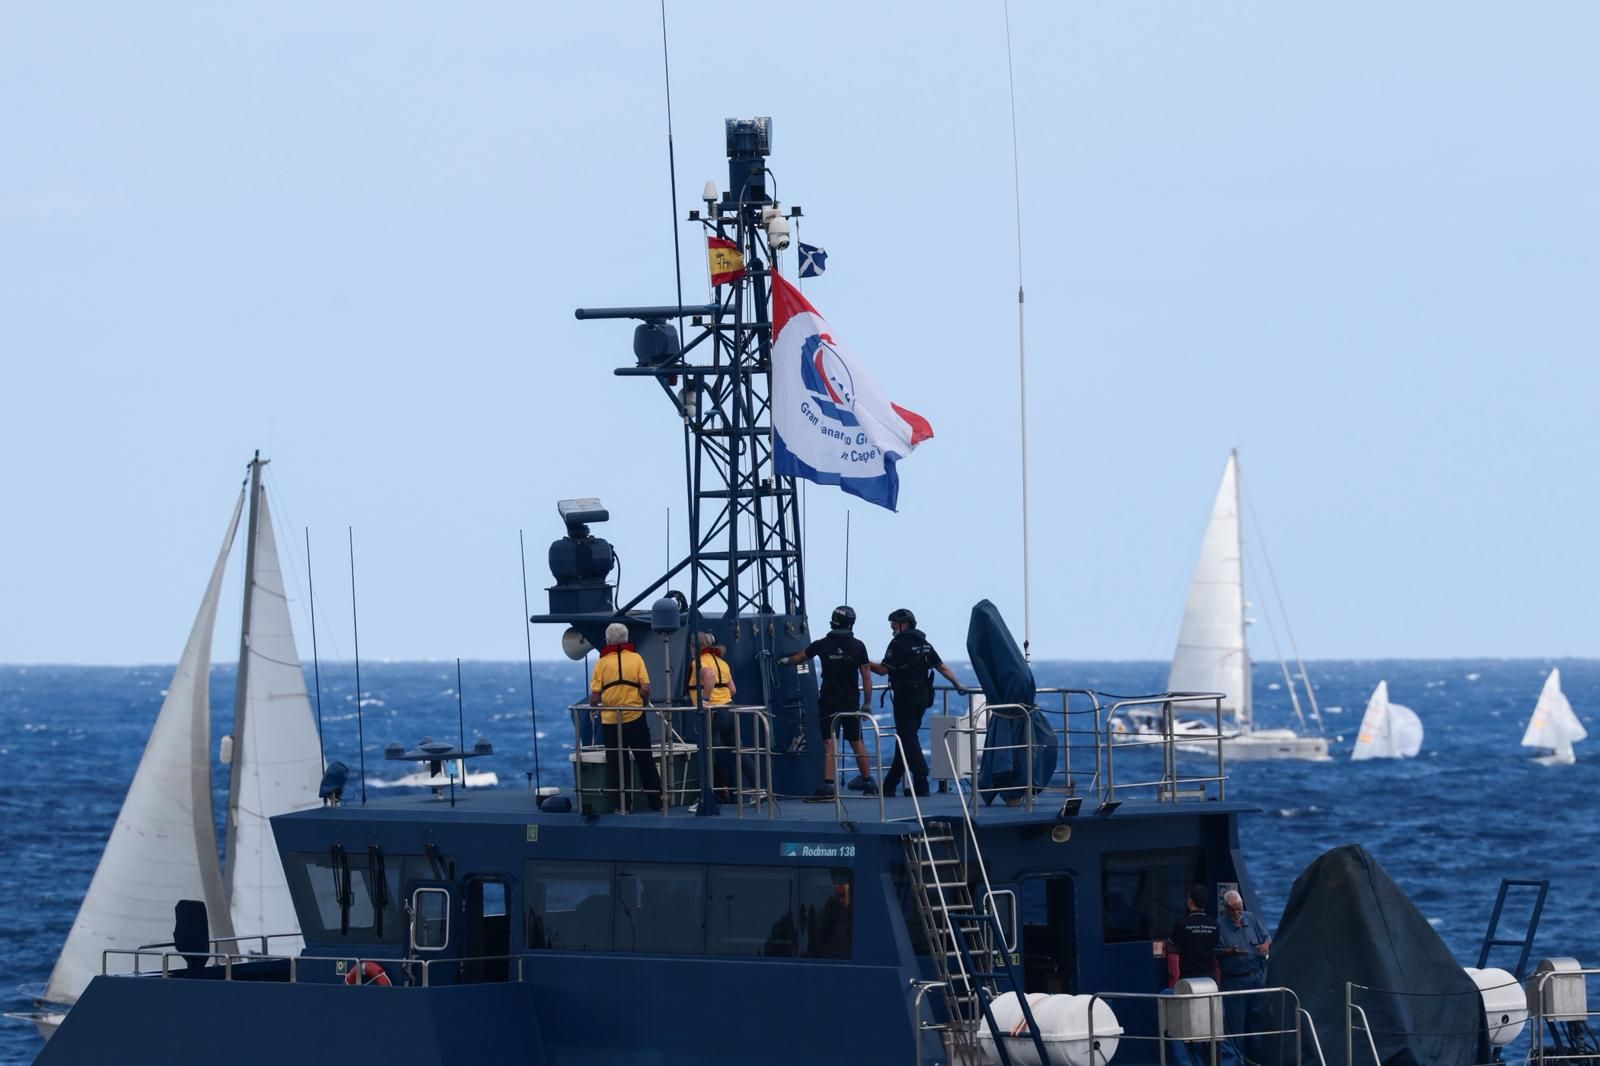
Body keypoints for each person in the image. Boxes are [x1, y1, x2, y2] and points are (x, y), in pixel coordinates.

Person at [780, 605, 876, 800]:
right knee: (857, 742)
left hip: (828, 703)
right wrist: (867, 702)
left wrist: (783, 661)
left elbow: (800, 657)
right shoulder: (859, 646)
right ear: (851, 623)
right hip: (850, 703)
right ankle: (868, 783)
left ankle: (829, 786)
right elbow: (866, 676)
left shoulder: (822, 644)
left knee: (829, 744)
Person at [869, 608, 966, 797]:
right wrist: (957, 684)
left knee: (908, 738)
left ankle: (921, 779)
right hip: (922, 697)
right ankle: (890, 784)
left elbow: (882, 670)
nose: (891, 629)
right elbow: (941, 667)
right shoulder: (924, 643)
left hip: (905, 697)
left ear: (903, 624)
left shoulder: (898, 644)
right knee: (906, 737)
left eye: (894, 625)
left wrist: (862, 662)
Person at [588, 622, 664, 811]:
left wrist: (593, 706)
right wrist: (643, 702)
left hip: (610, 721)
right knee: (645, 760)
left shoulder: (602, 663)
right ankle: (657, 802)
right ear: (627, 639)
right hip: (635, 717)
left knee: (616, 764)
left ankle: (621, 805)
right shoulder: (636, 659)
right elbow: (645, 687)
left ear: (607, 641)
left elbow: (595, 695)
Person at [688, 632, 761, 803]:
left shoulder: (700, 662)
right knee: (739, 751)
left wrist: (704, 700)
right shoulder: (721, 662)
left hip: (713, 712)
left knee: (708, 754)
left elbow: (709, 677)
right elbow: (733, 690)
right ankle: (758, 789)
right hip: (728, 709)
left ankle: (706, 797)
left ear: (693, 647)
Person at [1217, 888, 1271, 1063]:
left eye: (1239, 908)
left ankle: (1257, 1060)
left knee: (1257, 1025)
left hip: (1257, 979)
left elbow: (1267, 937)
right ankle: (1237, 1061)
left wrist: (1265, 945)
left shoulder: (1251, 918)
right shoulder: (1219, 925)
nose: (1237, 913)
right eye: (1232, 909)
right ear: (1226, 909)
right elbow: (1213, 951)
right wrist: (1229, 952)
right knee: (1236, 1028)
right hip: (1235, 982)